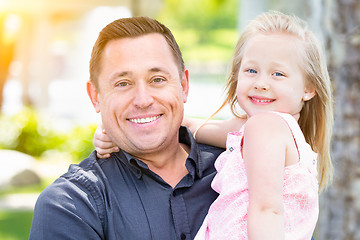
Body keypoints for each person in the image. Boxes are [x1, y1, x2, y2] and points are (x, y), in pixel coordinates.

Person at [94, 12, 333, 239]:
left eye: (278, 74)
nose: (261, 83)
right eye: (251, 70)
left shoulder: (265, 128)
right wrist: (116, 131)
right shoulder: (258, 129)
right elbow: (193, 127)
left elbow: (267, 210)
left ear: (308, 88)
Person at [29, 16, 224, 240]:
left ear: (183, 85)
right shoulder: (71, 204)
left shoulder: (239, 170)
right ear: (95, 97)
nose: (143, 100)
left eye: (157, 79)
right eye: (123, 84)